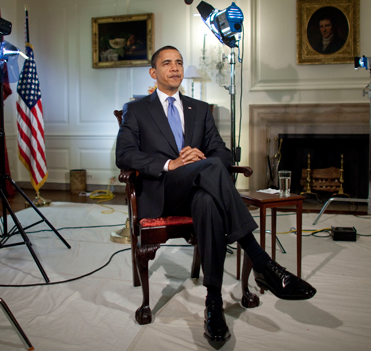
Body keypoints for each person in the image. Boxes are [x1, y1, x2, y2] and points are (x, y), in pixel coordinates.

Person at [115, 45, 316, 343]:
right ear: (153, 72)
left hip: (199, 189)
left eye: (179, 62)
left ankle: (213, 303)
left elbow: (222, 153)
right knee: (209, 170)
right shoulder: (137, 109)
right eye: (167, 63)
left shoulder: (199, 108)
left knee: (209, 201)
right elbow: (124, 155)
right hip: (163, 191)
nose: (175, 68)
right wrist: (171, 164)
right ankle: (261, 261)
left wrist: (200, 156)